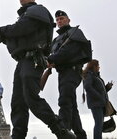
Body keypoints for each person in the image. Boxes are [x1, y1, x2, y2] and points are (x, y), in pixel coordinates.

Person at [0, 0, 76, 139]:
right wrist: (6, 37)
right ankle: (18, 136)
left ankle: (61, 131)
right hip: (23, 62)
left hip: (32, 60)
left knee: (31, 98)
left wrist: (2, 30)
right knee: (18, 102)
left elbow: (21, 28)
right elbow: (18, 39)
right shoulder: (28, 16)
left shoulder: (38, 11)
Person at [46, 10, 89, 139]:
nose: (60, 21)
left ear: (68, 20)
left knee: (64, 100)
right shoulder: (56, 39)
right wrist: (51, 62)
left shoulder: (75, 33)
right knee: (71, 104)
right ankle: (80, 135)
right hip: (63, 73)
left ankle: (63, 132)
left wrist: (51, 60)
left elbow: (68, 52)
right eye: (58, 20)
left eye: (62, 18)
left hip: (72, 71)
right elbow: (55, 54)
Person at [82, 59, 113, 139]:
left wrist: (107, 87)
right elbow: (87, 87)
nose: (99, 67)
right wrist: (99, 96)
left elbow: (101, 91)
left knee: (100, 124)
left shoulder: (96, 76)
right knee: (99, 124)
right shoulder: (90, 75)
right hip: (96, 104)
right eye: (98, 66)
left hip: (100, 103)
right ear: (94, 66)